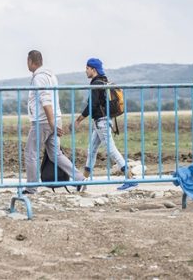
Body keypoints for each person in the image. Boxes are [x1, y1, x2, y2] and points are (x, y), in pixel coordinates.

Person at [23, 50, 85, 194]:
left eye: (27, 61)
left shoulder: (39, 78)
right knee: (55, 154)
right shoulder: (51, 76)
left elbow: (46, 101)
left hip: (43, 121)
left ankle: (31, 187)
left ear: (31, 61)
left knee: (30, 152)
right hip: (55, 119)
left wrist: (51, 123)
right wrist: (54, 123)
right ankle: (80, 179)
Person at [73, 58, 138, 191]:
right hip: (101, 122)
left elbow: (92, 105)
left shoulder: (96, 84)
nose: (85, 71)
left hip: (101, 122)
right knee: (91, 151)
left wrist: (79, 119)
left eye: (87, 68)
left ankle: (130, 178)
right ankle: (83, 182)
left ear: (93, 69)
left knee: (111, 150)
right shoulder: (103, 81)